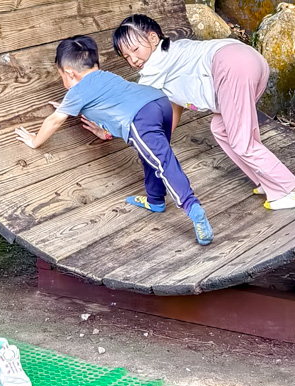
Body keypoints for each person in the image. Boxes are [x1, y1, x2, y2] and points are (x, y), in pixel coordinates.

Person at [14, 35, 213, 245]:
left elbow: (54, 121)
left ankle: (193, 208)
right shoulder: (106, 76)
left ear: (70, 73)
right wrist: (99, 128)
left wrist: (35, 140)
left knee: (163, 162)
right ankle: (155, 200)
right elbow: (112, 107)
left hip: (140, 117)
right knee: (152, 157)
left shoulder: (78, 91)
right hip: (159, 103)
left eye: (61, 75)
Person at [111, 14, 295, 211]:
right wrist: (162, 138)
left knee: (242, 142)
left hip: (231, 66)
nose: (133, 60)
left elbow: (135, 102)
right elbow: (174, 106)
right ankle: (268, 181)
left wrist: (106, 127)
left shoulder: (156, 63)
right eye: (127, 56)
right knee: (221, 127)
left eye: (135, 50)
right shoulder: (173, 55)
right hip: (249, 61)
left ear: (153, 38)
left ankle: (293, 190)